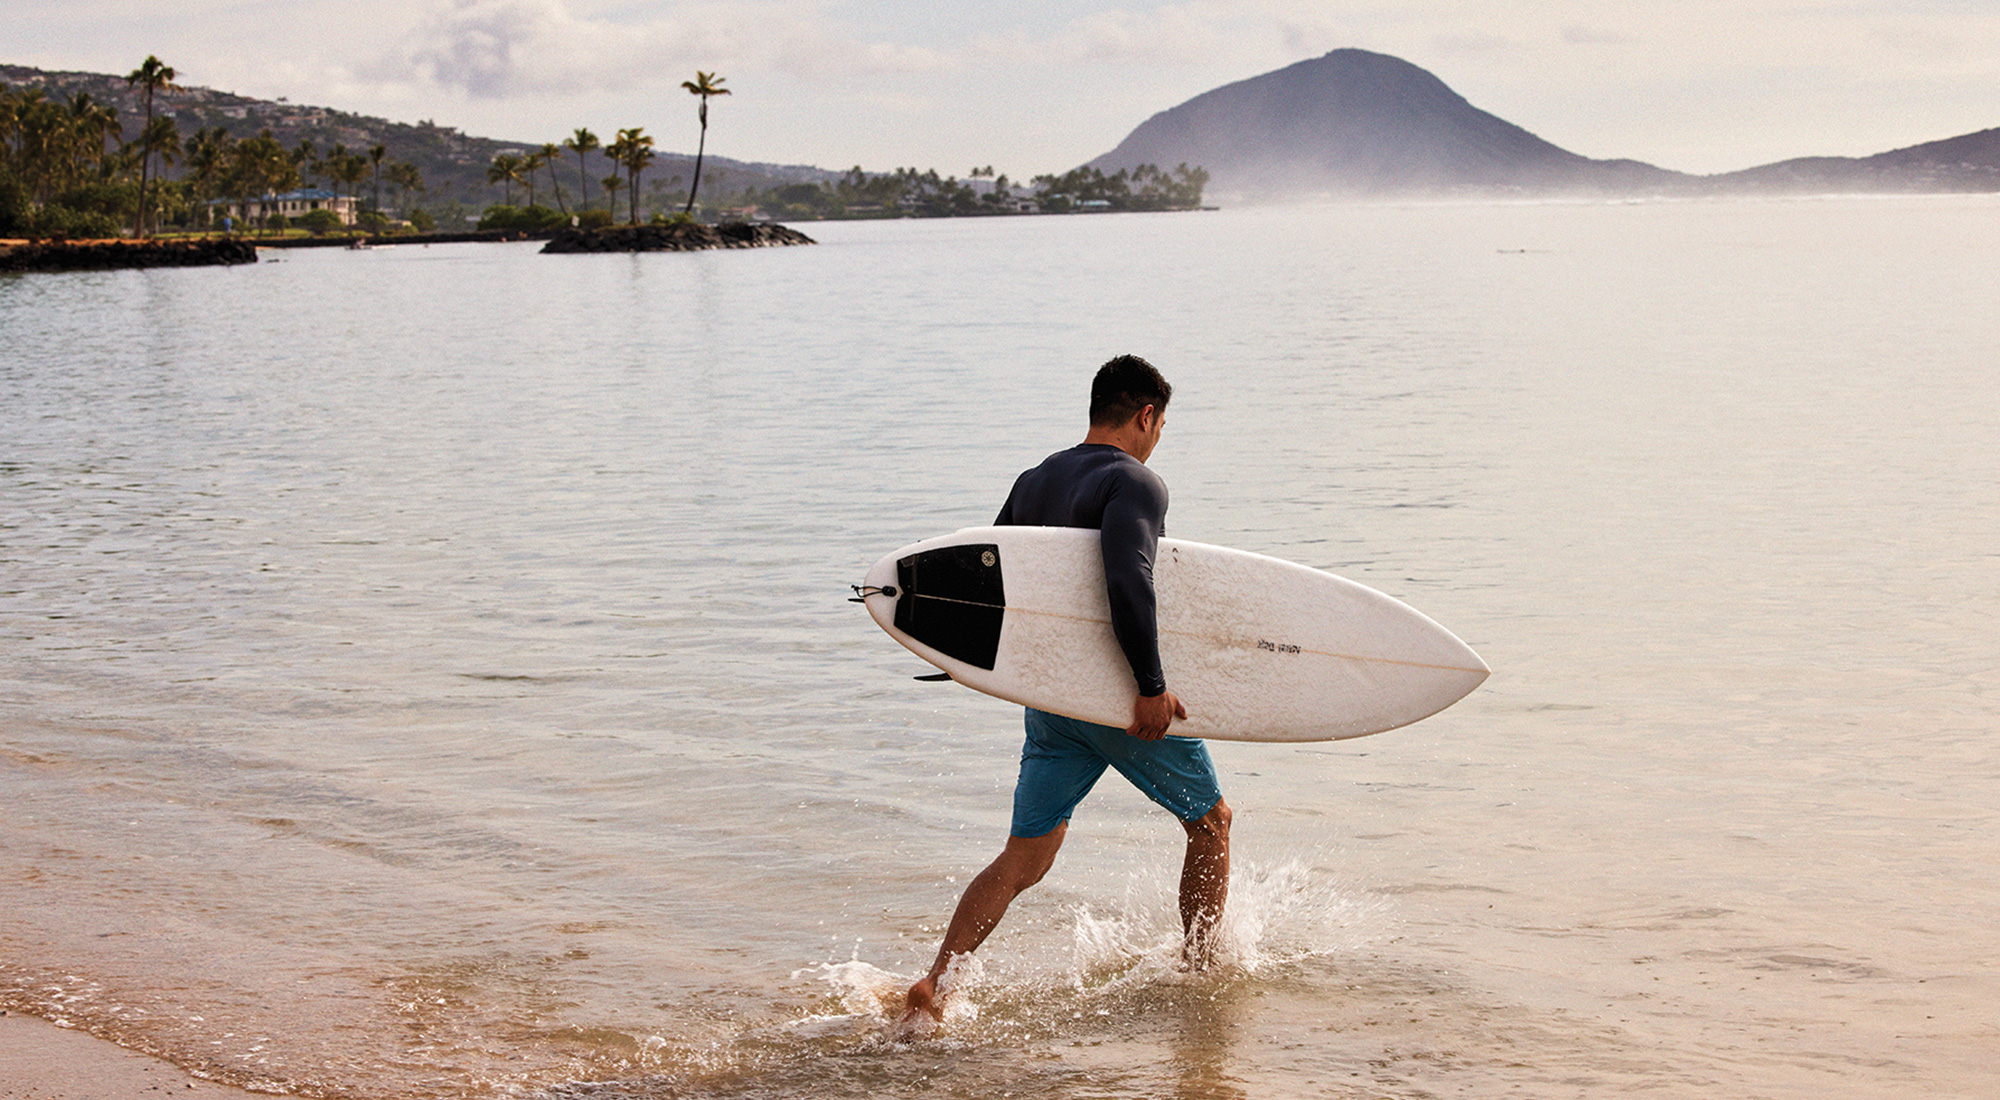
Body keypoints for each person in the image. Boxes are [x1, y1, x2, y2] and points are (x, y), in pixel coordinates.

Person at [903, 354, 1232, 1024]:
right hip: (1115, 696)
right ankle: (1202, 974)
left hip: (1052, 701)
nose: (1158, 437)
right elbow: (1127, 580)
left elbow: (987, 584)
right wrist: (1150, 685)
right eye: (1160, 425)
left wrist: (959, 661)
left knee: (1024, 858)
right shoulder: (1136, 483)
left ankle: (937, 986)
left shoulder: (1034, 480)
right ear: (1146, 415)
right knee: (1211, 824)